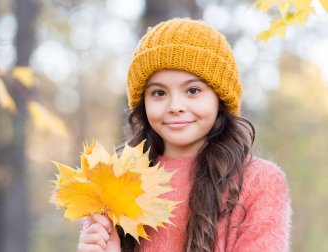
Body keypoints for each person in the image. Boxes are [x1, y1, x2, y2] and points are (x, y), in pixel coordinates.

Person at [77, 18, 292, 252]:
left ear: (219, 98)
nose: (175, 106)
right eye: (159, 93)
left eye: (193, 90)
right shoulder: (114, 183)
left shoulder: (258, 181)